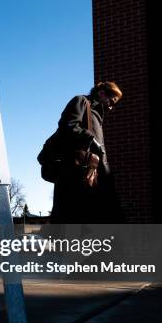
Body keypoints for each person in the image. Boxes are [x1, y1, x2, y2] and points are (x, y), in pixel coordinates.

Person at [50, 81, 124, 223]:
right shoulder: (82, 101)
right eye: (112, 101)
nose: (111, 107)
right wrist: (92, 140)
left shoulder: (98, 116)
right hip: (76, 174)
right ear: (102, 93)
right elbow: (68, 125)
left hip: (93, 177)